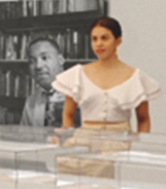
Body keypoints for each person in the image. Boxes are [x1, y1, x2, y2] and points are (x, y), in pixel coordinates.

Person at [50, 17, 160, 145]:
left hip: (120, 143)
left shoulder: (135, 77)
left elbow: (143, 119)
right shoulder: (78, 74)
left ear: (118, 41)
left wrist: (138, 142)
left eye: (104, 38)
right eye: (94, 39)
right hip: (85, 142)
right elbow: (68, 114)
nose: (99, 44)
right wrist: (66, 136)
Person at [18, 37, 65, 128]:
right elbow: (25, 138)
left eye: (44, 58)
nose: (38, 66)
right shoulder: (31, 102)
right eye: (32, 61)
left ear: (60, 60)